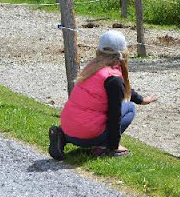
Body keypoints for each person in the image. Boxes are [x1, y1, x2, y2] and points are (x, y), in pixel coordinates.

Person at [48, 30, 157, 160]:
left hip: (68, 128)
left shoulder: (92, 67)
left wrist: (141, 99)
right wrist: (114, 145)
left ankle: (61, 136)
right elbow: (114, 115)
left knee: (85, 111)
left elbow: (123, 89)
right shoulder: (114, 79)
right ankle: (104, 146)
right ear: (121, 54)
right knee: (130, 108)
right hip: (88, 137)